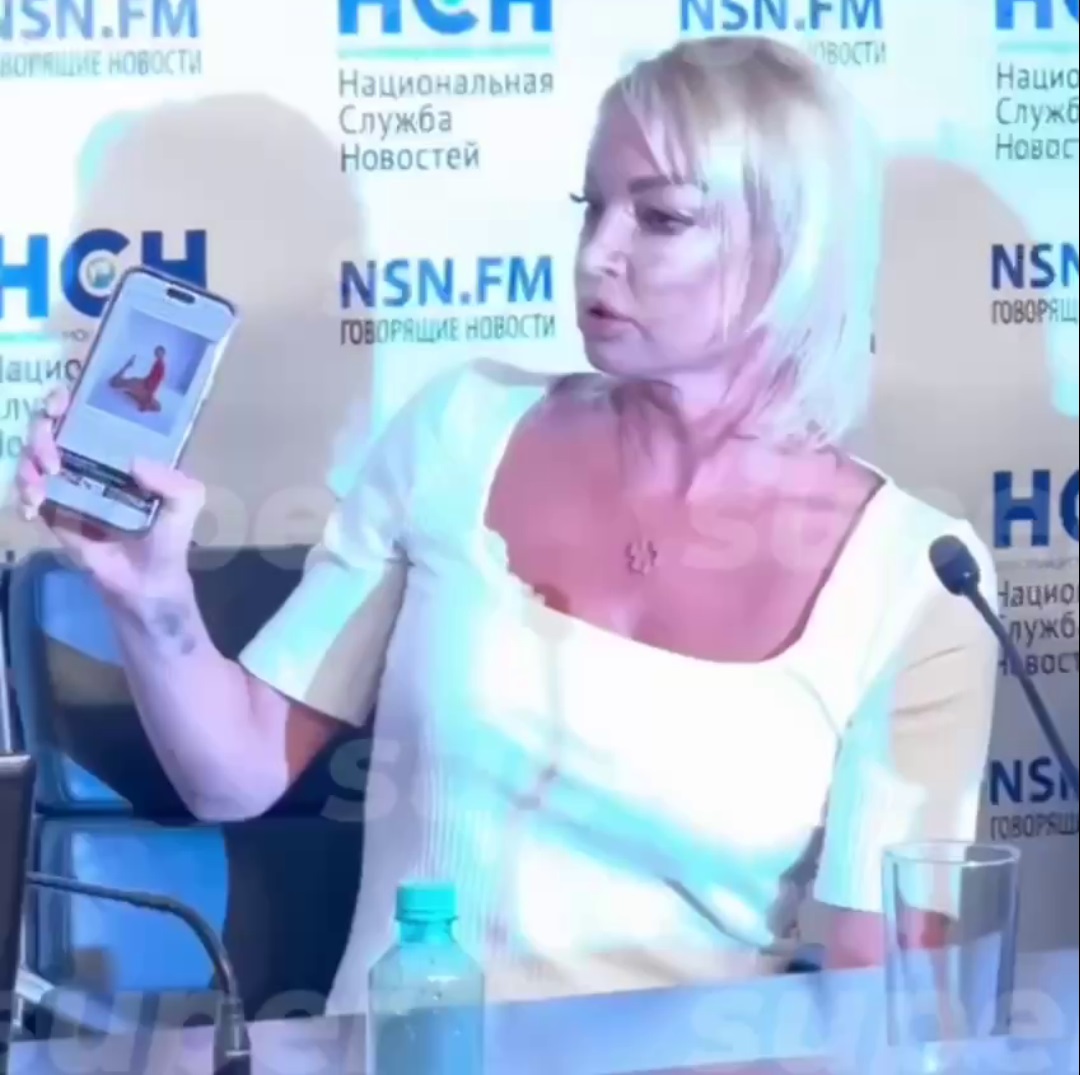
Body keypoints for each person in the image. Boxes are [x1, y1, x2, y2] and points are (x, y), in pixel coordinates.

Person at [14, 37, 998, 1011]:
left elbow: (888, 996)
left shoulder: (919, 579)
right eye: (592, 206)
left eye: (660, 217)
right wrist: (150, 594)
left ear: (791, 250)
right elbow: (232, 774)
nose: (597, 254)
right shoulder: (459, 428)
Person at [108, 345, 167, 412]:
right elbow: (155, 380)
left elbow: (137, 399)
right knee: (117, 383)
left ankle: (127, 366)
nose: (156, 402)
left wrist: (130, 394)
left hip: (142, 385)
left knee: (116, 383)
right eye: (156, 352)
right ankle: (127, 366)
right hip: (143, 385)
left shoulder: (147, 401)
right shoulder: (149, 398)